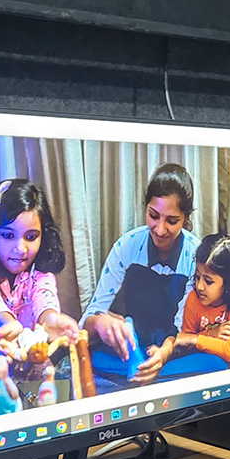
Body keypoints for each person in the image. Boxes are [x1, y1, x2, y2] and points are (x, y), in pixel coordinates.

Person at [81, 162, 201, 383]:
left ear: (186, 218)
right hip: (128, 353)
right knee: (89, 361)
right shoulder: (127, 246)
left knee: (214, 365)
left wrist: (164, 354)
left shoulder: (195, 255)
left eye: (172, 221)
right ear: (145, 207)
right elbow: (89, 319)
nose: (160, 229)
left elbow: (189, 328)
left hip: (173, 352)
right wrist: (100, 322)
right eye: (154, 215)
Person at [0, 179, 80, 355]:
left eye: (31, 237)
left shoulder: (39, 267)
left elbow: (44, 295)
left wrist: (50, 318)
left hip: (27, 364)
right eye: (8, 235)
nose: (21, 249)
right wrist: (8, 324)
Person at [157, 233, 230, 368]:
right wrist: (209, 334)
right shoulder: (193, 300)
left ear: (227, 283)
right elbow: (186, 342)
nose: (200, 286)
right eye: (197, 277)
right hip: (214, 356)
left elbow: (228, 350)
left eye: (208, 281)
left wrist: (197, 338)